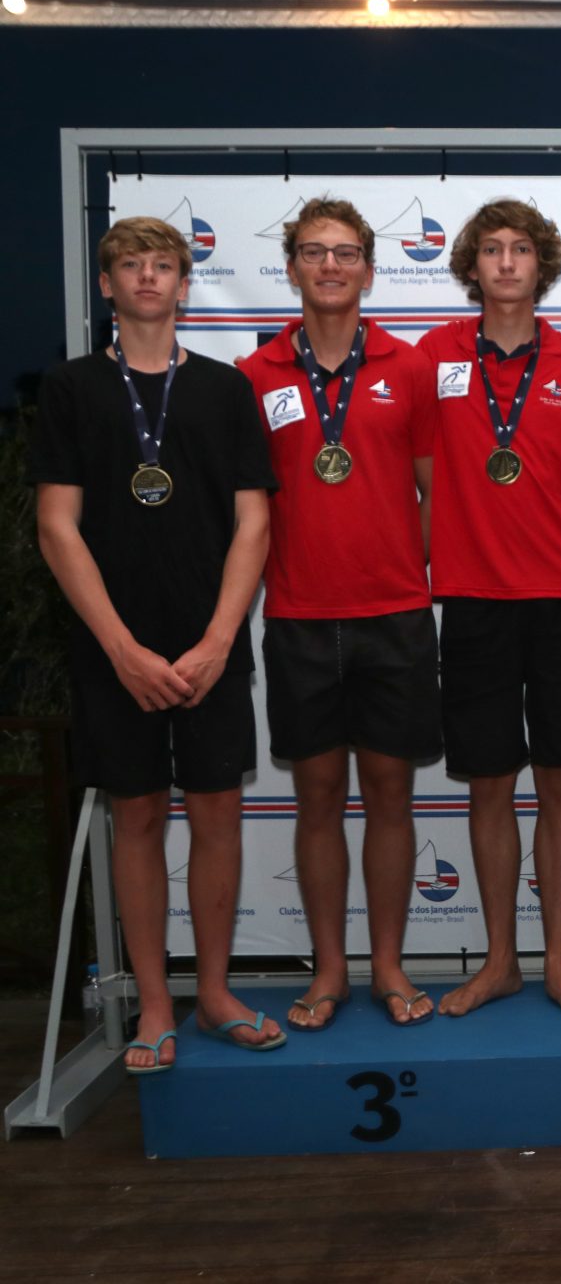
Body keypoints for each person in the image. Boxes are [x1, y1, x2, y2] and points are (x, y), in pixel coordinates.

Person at [32, 216, 281, 1070]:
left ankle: (214, 994)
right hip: (116, 651)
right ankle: (156, 1004)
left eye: (163, 265)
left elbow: (254, 523)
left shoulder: (224, 389)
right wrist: (121, 649)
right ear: (107, 285)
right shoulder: (70, 389)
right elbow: (57, 527)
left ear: (184, 283)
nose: (147, 277)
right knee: (135, 818)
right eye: (131, 265)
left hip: (209, 645)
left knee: (217, 815)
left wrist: (218, 640)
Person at [417, 200, 561, 1017]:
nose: (507, 262)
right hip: (472, 597)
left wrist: (545, 460)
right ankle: (500, 960)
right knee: (488, 788)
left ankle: (559, 963)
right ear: (472, 265)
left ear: (543, 265)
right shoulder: (433, 354)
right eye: (492, 249)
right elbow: (412, 449)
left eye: (522, 249)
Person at [239, 199, 440, 1030]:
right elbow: (246, 507)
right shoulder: (253, 376)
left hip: (395, 615)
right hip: (298, 616)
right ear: (291, 266)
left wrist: (398, 564)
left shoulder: (410, 366)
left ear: (369, 269)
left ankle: (387, 965)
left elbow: (434, 491)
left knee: (391, 797)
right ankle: (329, 971)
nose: (331, 265)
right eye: (315, 252)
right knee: (317, 799)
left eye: (346, 252)